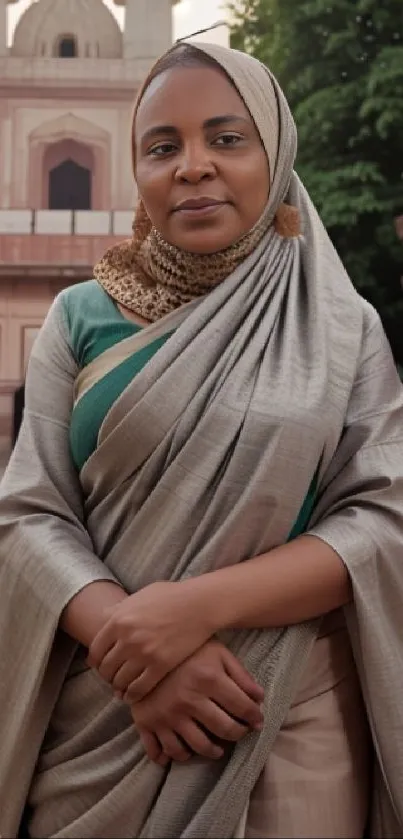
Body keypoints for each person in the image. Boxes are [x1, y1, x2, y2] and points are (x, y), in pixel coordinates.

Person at [0, 40, 402, 839]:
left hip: (286, 710)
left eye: (225, 138)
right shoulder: (81, 318)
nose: (191, 166)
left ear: (275, 152)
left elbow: (381, 520)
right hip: (101, 715)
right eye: (161, 146)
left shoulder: (341, 327)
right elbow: (29, 513)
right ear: (138, 174)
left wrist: (186, 614)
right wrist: (134, 649)